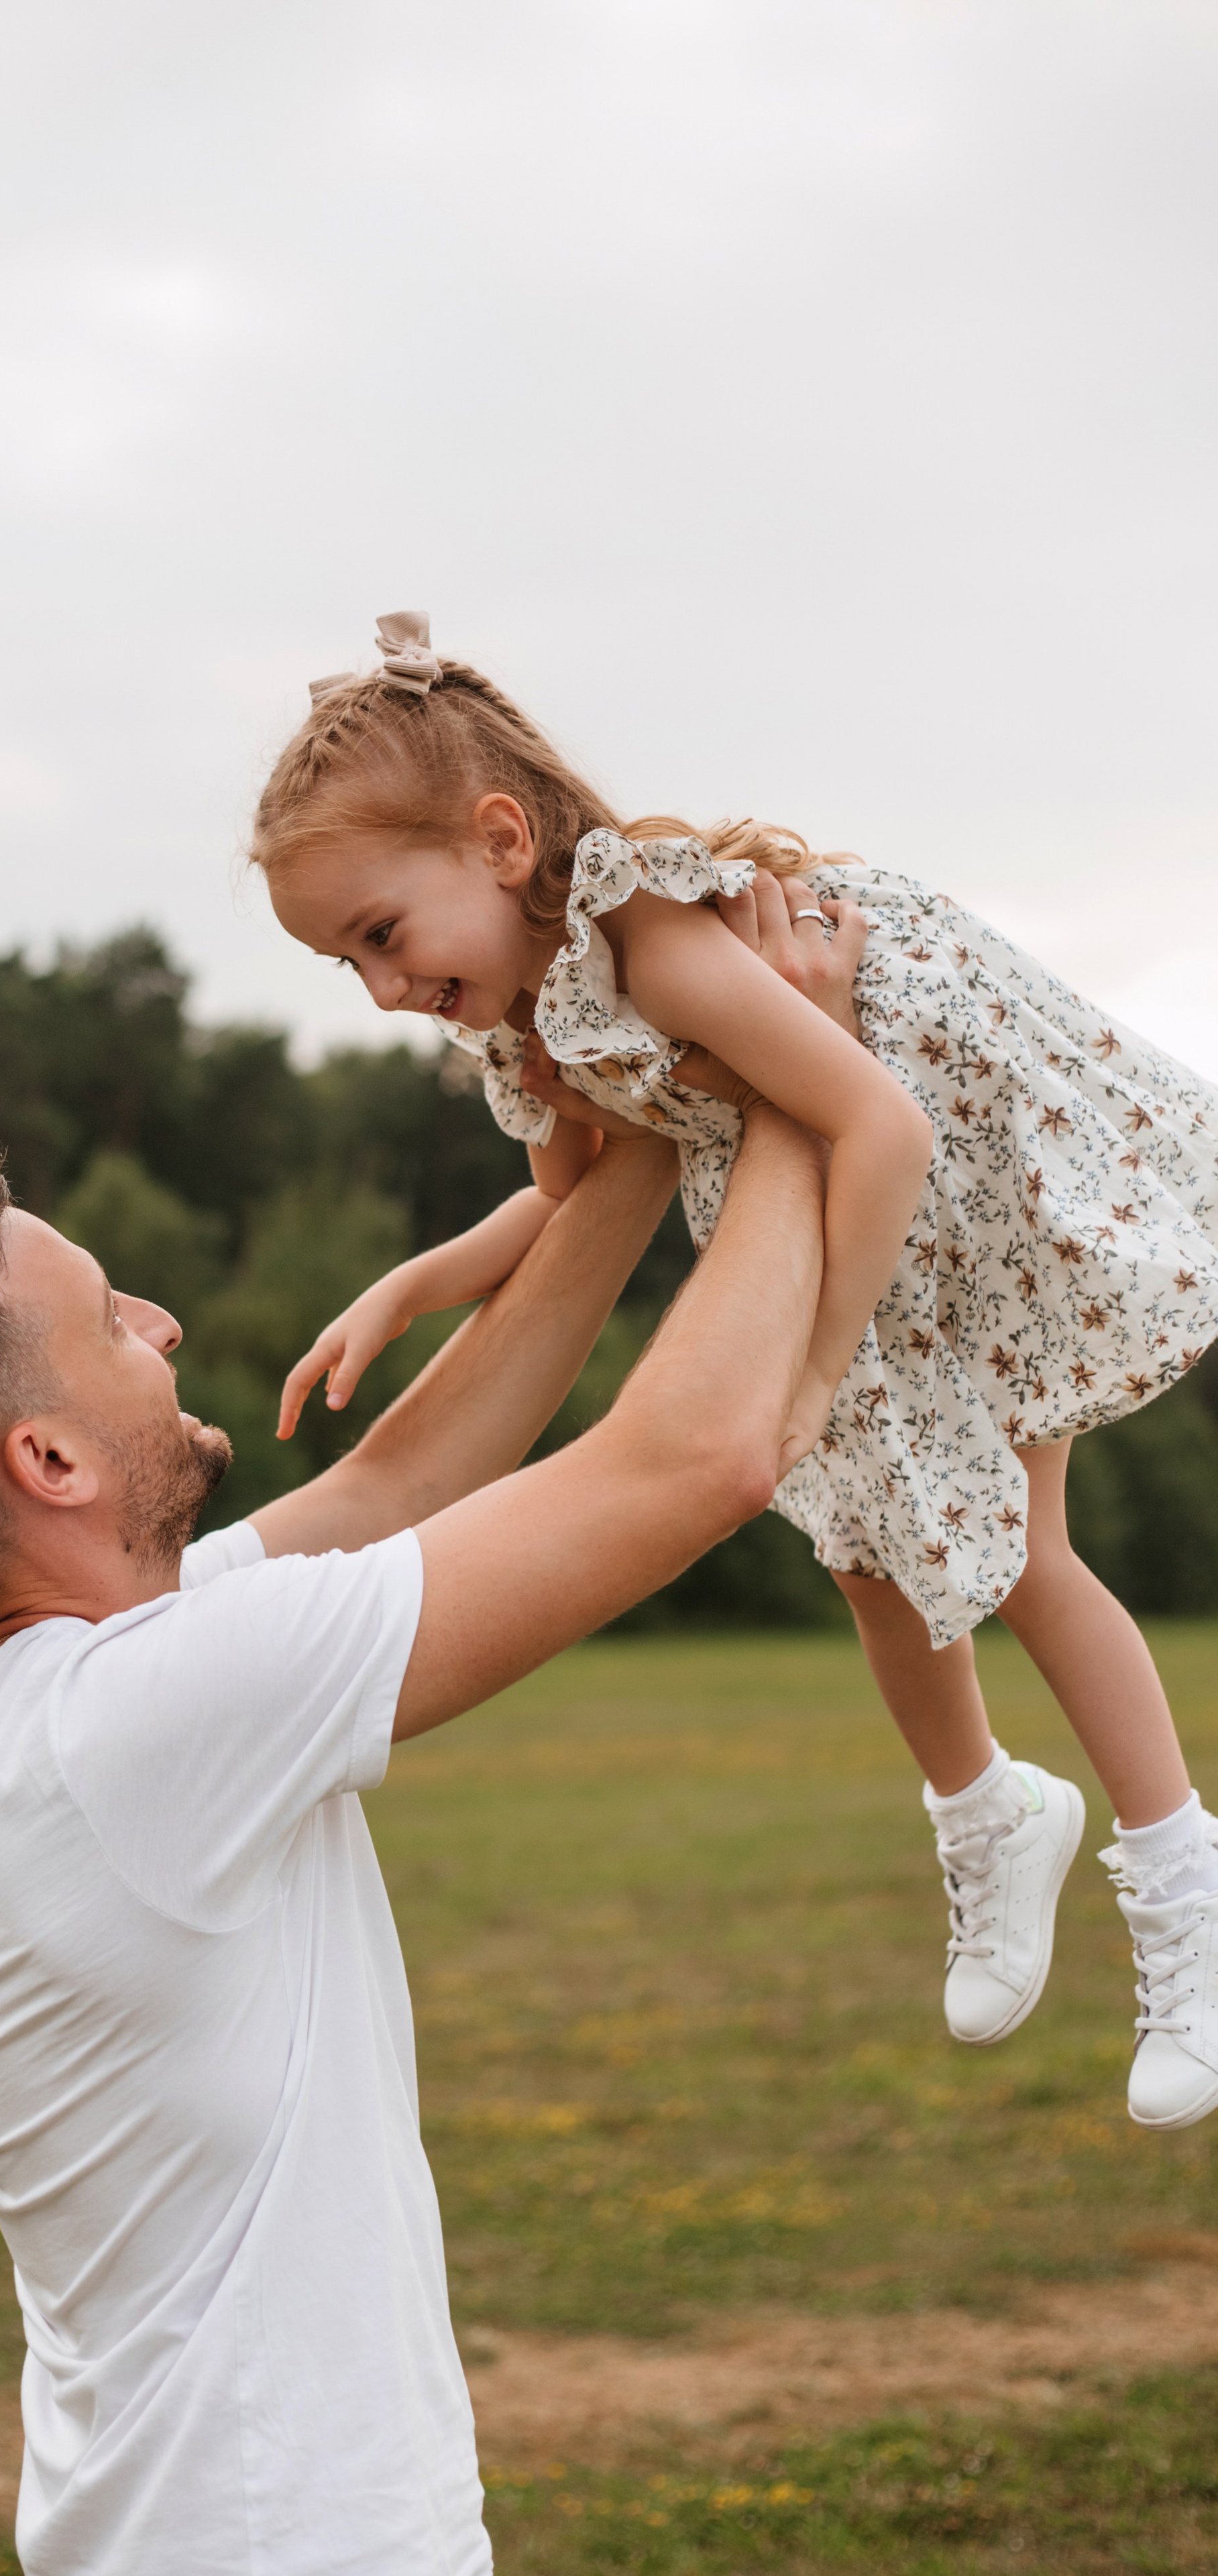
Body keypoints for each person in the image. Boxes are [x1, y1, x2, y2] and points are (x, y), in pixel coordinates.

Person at [0, 1019, 835, 2575]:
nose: (164, 1322)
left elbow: (401, 1485)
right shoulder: (135, 1725)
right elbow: (699, 1457)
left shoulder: (1, 1696)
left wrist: (657, 1131)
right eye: (115, 1318)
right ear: (47, 1458)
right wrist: (793, 1074)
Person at [255, 610, 1218, 2133]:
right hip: (844, 1186)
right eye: (342, 961)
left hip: (947, 1162)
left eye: (380, 933)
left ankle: (1184, 1886)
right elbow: (572, 1200)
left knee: (1022, 1549)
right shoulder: (539, 1020)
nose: (378, 987)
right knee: (862, 1552)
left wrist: (818, 1363)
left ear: (500, 841)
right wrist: (410, 1282)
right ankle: (988, 1811)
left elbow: (881, 1123)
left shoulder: (650, 937)